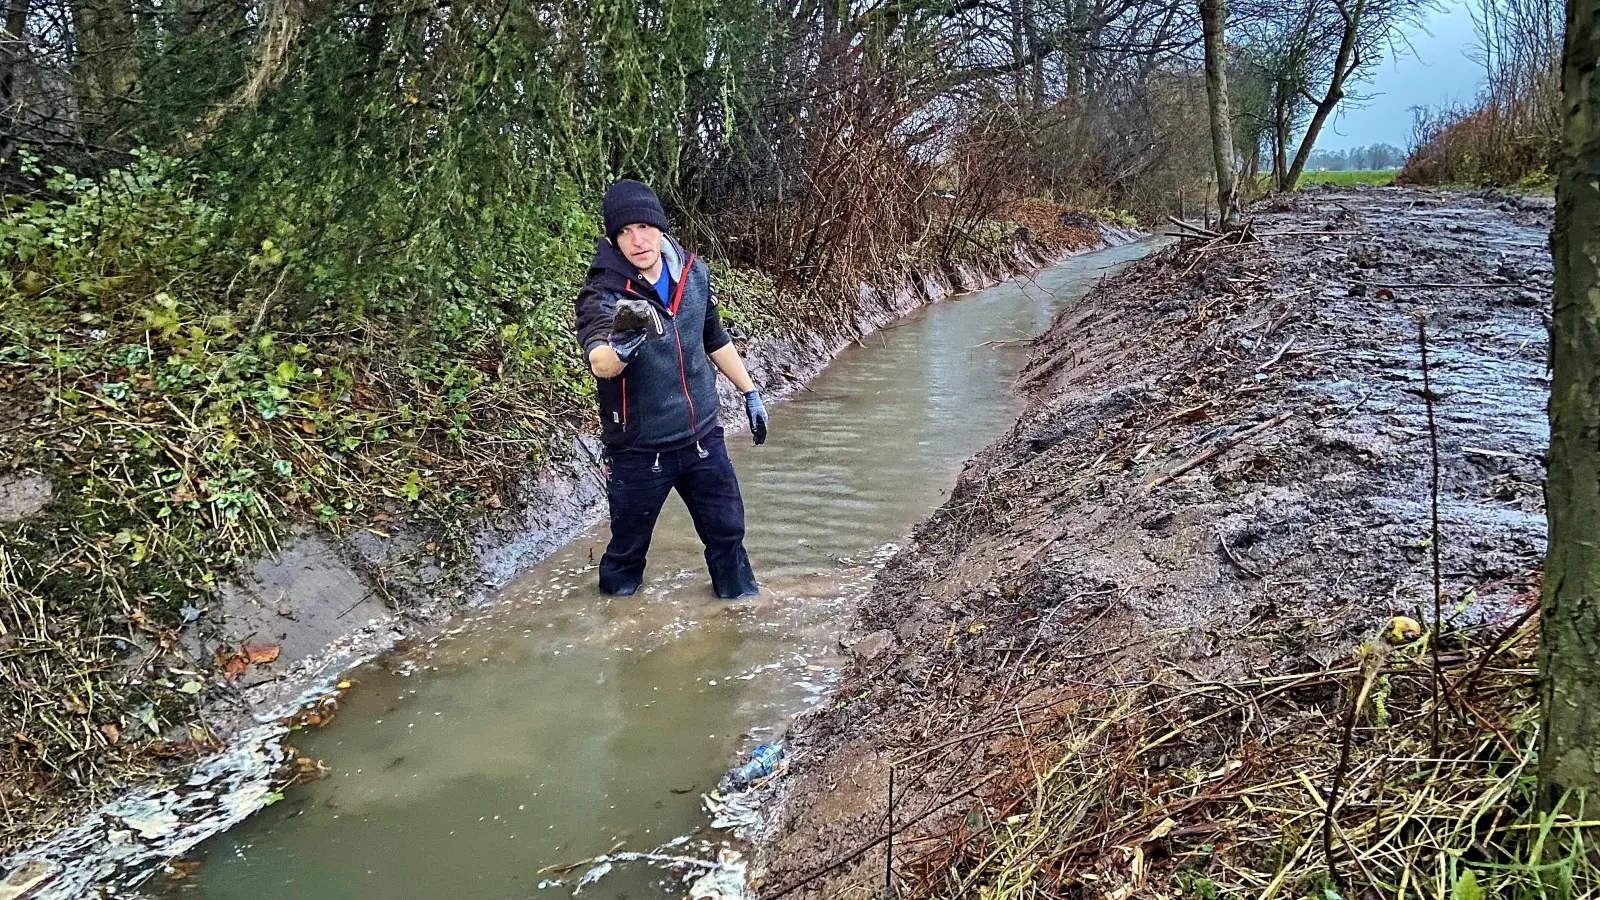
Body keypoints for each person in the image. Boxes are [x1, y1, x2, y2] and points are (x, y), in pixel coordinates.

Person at [574, 179, 770, 599]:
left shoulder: (693, 273)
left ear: (660, 227)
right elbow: (600, 363)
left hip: (703, 438)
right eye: (623, 232)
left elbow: (713, 337)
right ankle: (616, 628)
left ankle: (739, 607)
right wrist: (622, 347)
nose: (636, 240)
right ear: (614, 239)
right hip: (640, 448)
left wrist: (750, 391)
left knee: (728, 535)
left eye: (644, 226)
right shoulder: (605, 292)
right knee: (627, 550)